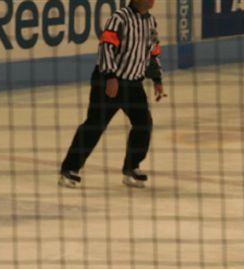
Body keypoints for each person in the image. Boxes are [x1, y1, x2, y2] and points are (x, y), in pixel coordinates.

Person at [58, 0, 165, 189]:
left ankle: (131, 168)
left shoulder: (151, 22)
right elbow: (106, 46)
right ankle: (69, 169)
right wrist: (110, 76)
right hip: (109, 83)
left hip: (133, 85)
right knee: (95, 124)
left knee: (143, 124)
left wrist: (157, 79)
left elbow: (153, 51)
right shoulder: (119, 18)